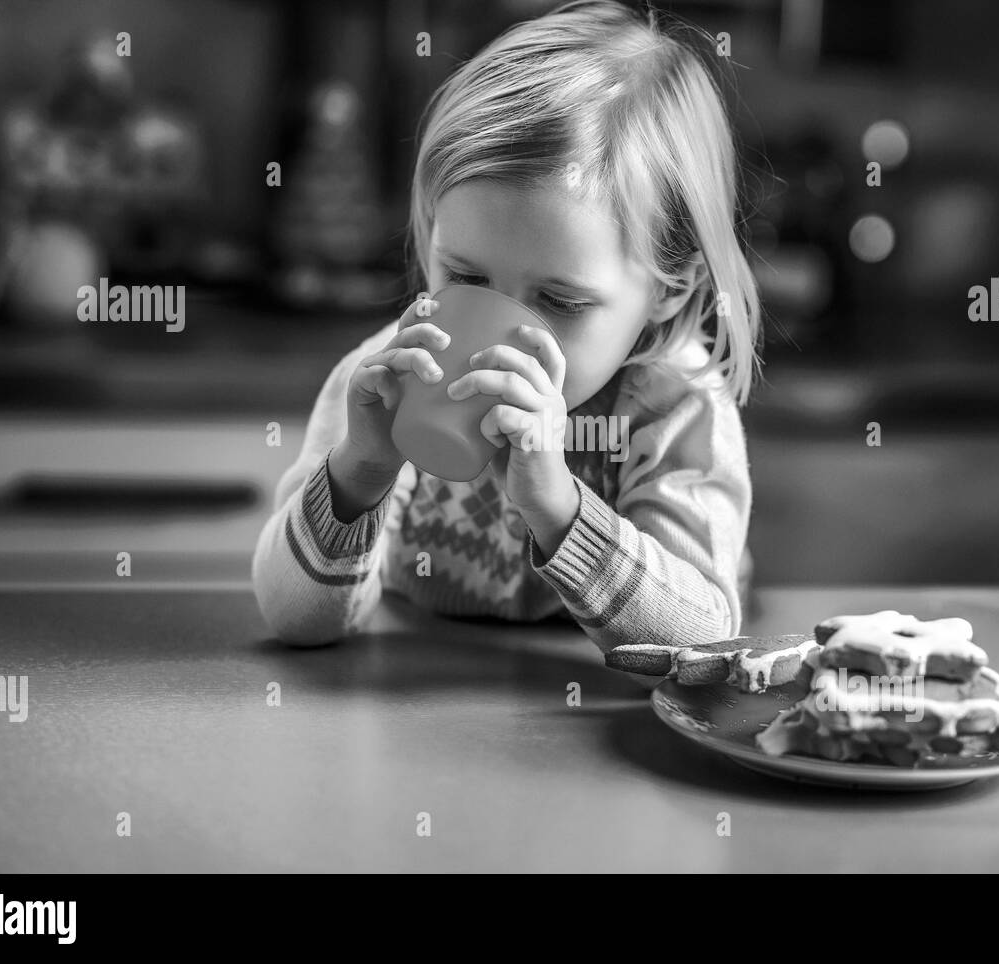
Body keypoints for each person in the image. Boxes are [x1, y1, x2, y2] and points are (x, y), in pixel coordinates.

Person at [253, 0, 763, 650]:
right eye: (466, 279)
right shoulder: (388, 381)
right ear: (433, 234)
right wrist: (362, 469)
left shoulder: (674, 408)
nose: (504, 339)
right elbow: (291, 618)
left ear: (669, 290)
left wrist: (558, 507)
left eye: (561, 301)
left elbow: (701, 641)